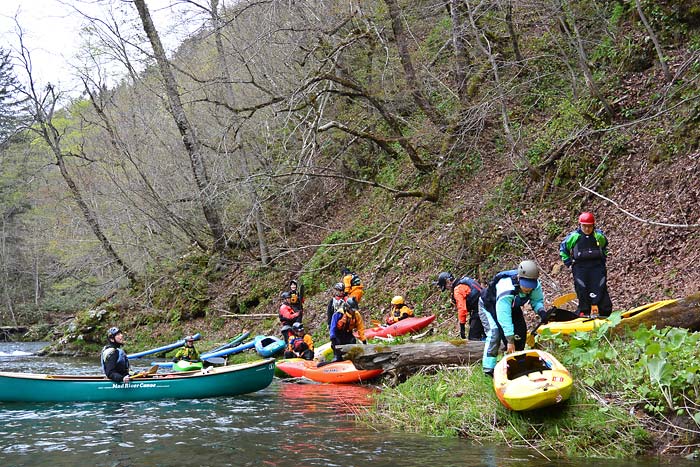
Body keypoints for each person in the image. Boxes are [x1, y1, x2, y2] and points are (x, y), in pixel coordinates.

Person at [478, 260, 546, 377]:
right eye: (525, 285)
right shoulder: (507, 287)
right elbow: (504, 317)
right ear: (519, 278)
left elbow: (537, 300)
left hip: (512, 306)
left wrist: (541, 312)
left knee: (520, 332)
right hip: (489, 306)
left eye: (531, 286)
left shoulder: (535, 285)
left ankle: (518, 364)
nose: (528, 289)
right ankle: (488, 369)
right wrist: (509, 340)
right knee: (495, 334)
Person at [559, 212, 612, 318]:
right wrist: (568, 262)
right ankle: (584, 312)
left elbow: (605, 246)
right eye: (584, 226)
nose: (587, 229)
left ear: (593, 225)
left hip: (597, 266)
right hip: (580, 267)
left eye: (590, 226)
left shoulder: (598, 236)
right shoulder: (574, 236)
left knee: (600, 287)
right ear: (580, 225)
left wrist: (603, 258)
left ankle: (604, 311)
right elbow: (563, 249)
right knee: (582, 288)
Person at [436, 272, 486, 340]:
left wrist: (462, 327)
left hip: (480, 310)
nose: (448, 289)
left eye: (446, 287)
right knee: (484, 332)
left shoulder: (457, 289)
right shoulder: (465, 280)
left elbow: (462, 309)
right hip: (486, 305)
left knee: (473, 338)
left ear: (448, 282)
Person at [329, 297, 367, 362]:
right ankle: (337, 358)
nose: (354, 311)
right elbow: (333, 326)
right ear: (348, 308)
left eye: (354, 310)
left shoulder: (356, 315)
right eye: (352, 310)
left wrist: (363, 339)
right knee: (337, 346)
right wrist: (333, 337)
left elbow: (360, 327)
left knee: (352, 341)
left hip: (348, 334)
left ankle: (352, 359)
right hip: (338, 334)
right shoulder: (339, 313)